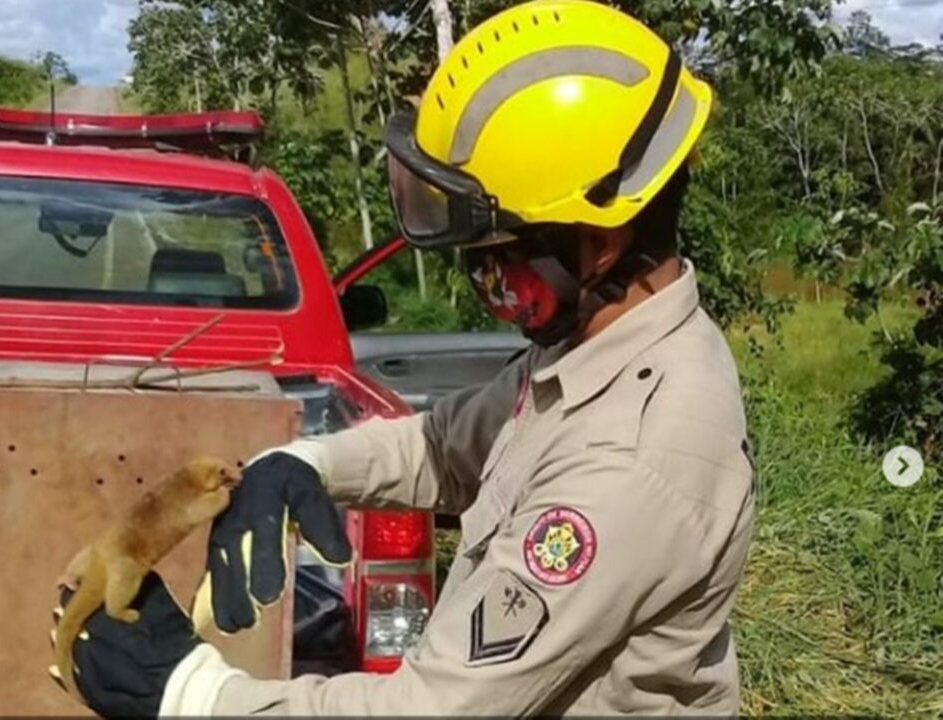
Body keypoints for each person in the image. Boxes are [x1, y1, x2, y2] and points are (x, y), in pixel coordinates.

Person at [52, 0, 756, 715]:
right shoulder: (593, 349)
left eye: (497, 256)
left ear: (599, 243)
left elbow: (437, 707)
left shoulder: (631, 457)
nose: (483, 281)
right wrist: (308, 466)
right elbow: (442, 447)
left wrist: (196, 696)